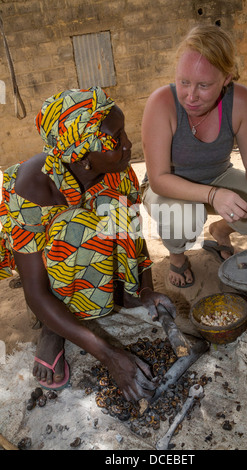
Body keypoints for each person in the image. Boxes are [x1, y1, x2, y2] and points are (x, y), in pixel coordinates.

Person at [0, 87, 176, 402]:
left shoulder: (118, 173)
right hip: (47, 265)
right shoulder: (31, 187)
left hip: (83, 260)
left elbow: (133, 236)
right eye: (116, 138)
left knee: (113, 212)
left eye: (124, 134)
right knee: (79, 229)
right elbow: (35, 293)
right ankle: (53, 331)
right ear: (81, 154)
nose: (128, 145)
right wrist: (108, 356)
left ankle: (115, 297)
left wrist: (145, 289)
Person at [141, 24, 247, 288]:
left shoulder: (241, 101)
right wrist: (213, 195)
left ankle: (221, 229)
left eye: (204, 85)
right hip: (168, 185)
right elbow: (158, 179)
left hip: (218, 175)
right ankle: (177, 257)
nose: (190, 95)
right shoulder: (161, 103)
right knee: (184, 219)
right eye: (183, 82)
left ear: (226, 78)